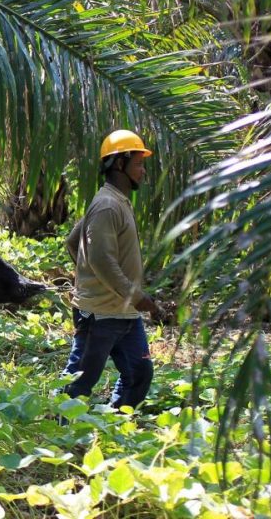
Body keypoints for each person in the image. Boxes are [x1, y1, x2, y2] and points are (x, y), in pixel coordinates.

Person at [62, 129, 159, 409]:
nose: (142, 171)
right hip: (101, 314)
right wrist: (135, 296)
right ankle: (57, 432)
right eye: (138, 164)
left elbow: (73, 242)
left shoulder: (116, 201)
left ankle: (117, 425)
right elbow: (101, 260)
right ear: (119, 164)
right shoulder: (107, 206)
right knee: (80, 379)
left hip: (123, 313)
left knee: (139, 373)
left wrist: (90, 274)